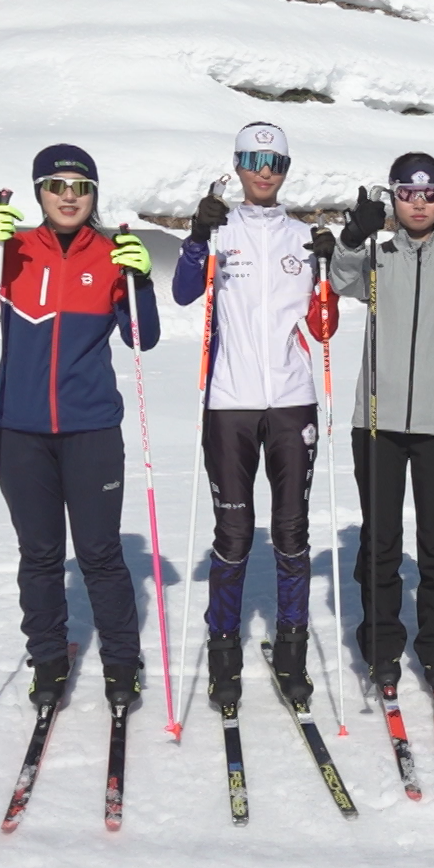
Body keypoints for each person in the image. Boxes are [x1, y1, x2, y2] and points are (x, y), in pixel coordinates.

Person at [0, 143, 160, 707]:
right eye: (56, 186)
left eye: (80, 188)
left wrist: (142, 281)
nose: (68, 197)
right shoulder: (13, 251)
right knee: (40, 555)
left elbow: (142, 337)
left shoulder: (110, 254)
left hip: (91, 431)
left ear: (93, 195)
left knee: (101, 554)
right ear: (39, 192)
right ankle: (50, 661)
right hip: (20, 431)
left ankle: (122, 664)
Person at [171, 122, 339, 709]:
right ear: (238, 164)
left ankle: (292, 654)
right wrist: (196, 240)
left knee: (292, 535)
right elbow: (184, 293)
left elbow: (322, 329)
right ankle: (224, 655)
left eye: (275, 162)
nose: (264, 171)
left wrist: (327, 275)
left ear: (286, 170)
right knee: (235, 535)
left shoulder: (301, 235)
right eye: (253, 159)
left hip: (293, 400)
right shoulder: (222, 230)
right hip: (229, 403)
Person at [328, 153, 434, 699]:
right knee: (380, 541)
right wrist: (352, 239)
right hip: (377, 420)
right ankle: (382, 646)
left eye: (429, 194)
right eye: (407, 193)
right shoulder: (377, 258)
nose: (419, 203)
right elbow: (339, 280)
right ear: (394, 197)